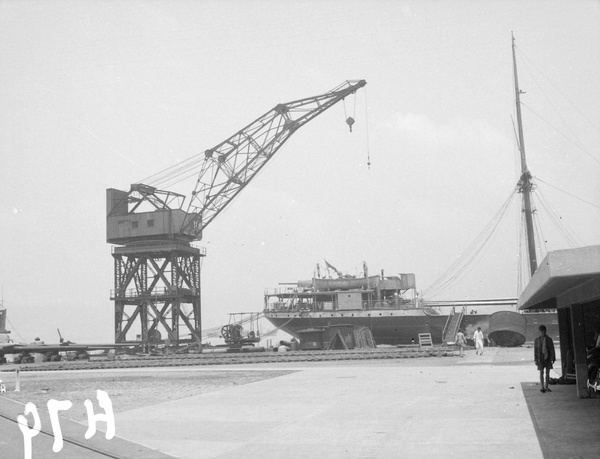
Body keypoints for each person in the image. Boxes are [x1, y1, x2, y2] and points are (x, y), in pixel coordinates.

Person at [534, 325, 556, 393]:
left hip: (548, 358)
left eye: (544, 331)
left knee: (547, 372)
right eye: (541, 331)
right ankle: (542, 387)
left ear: (545, 331)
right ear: (540, 331)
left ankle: (546, 387)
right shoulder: (537, 340)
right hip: (540, 358)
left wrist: (553, 358)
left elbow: (552, 349)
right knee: (541, 372)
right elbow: (535, 351)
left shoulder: (549, 339)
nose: (543, 332)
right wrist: (536, 360)